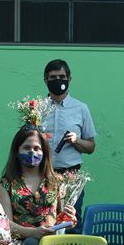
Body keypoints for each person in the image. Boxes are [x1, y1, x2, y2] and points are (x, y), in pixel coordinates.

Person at [41, 59, 96, 234]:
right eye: (53, 77)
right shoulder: (37, 108)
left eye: (62, 77)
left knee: (71, 222)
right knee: (43, 221)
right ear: (45, 80)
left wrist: (77, 141)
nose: (58, 80)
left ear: (69, 79)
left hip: (71, 176)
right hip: (42, 174)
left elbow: (91, 146)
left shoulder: (81, 108)